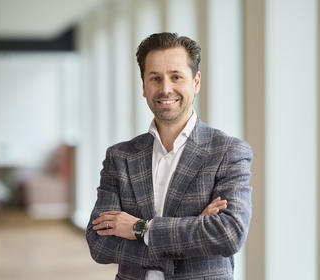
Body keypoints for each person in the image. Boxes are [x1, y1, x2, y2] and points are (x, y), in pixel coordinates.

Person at [86, 32, 252, 280]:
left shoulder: (228, 151)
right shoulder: (119, 157)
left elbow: (228, 234)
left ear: (195, 82)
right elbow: (99, 244)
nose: (165, 89)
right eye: (155, 78)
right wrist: (195, 229)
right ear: (143, 86)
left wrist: (139, 228)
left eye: (176, 77)